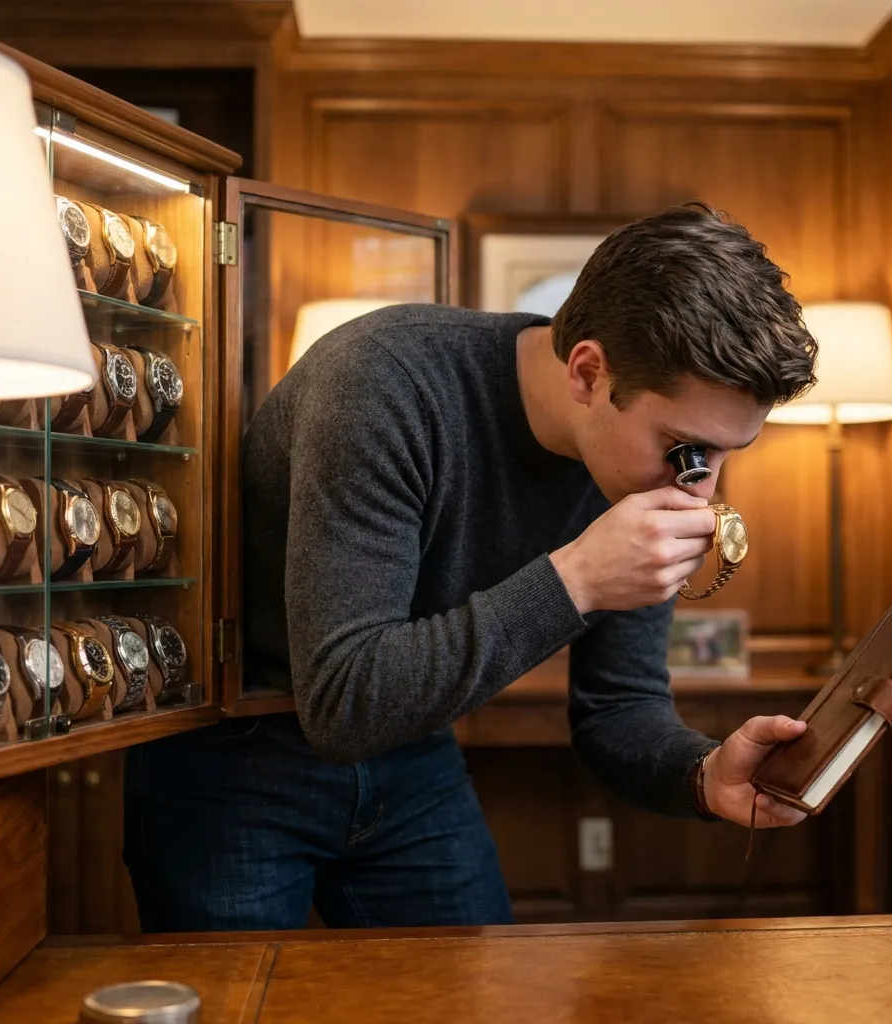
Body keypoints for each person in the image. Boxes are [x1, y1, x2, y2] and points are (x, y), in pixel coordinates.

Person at [123, 203, 818, 932]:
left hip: (415, 749)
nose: (700, 489)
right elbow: (344, 700)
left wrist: (705, 776)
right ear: (588, 371)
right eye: (684, 448)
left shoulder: (650, 467)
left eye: (723, 456)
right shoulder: (382, 385)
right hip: (237, 756)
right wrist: (576, 577)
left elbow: (619, 708)